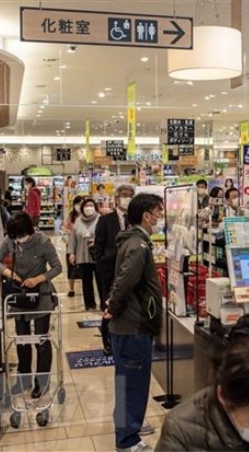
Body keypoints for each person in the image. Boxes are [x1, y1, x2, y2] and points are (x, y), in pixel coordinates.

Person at [104, 193, 164, 452]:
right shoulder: (138, 245)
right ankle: (128, 440)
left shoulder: (134, 241)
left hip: (129, 324)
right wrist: (113, 306)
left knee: (125, 381)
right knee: (133, 383)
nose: (160, 217)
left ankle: (127, 427)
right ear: (146, 215)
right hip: (133, 325)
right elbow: (126, 279)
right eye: (157, 212)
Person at [0, 212, 62, 398]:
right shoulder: (10, 240)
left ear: (29, 232)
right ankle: (24, 380)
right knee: (22, 340)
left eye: (21, 237)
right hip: (19, 296)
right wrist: (9, 273)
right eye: (15, 238)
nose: (19, 241)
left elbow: (57, 267)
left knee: (41, 341)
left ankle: (42, 381)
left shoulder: (43, 241)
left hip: (41, 296)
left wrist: (38, 278)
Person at [94, 184, 135, 354]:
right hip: (110, 271)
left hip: (132, 271)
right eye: (124, 195)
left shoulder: (136, 220)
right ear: (117, 199)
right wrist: (103, 265)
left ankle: (128, 339)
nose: (127, 198)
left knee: (129, 305)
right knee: (109, 306)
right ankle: (108, 342)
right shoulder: (105, 220)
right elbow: (98, 247)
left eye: (130, 195)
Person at [67, 197, 103, 311]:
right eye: (86, 206)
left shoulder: (101, 219)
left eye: (91, 205)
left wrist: (96, 241)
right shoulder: (78, 221)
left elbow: (105, 236)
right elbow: (73, 238)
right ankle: (89, 304)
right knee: (86, 282)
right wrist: (71, 253)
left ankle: (104, 303)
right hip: (82, 255)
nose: (89, 208)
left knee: (101, 281)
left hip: (97, 255)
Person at [62, 195, 84, 298]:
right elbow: (64, 227)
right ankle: (71, 289)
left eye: (81, 204)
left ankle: (85, 288)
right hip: (71, 245)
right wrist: (69, 232)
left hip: (84, 245)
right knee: (71, 268)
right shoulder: (71, 216)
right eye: (78, 204)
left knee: (85, 267)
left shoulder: (88, 216)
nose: (79, 206)